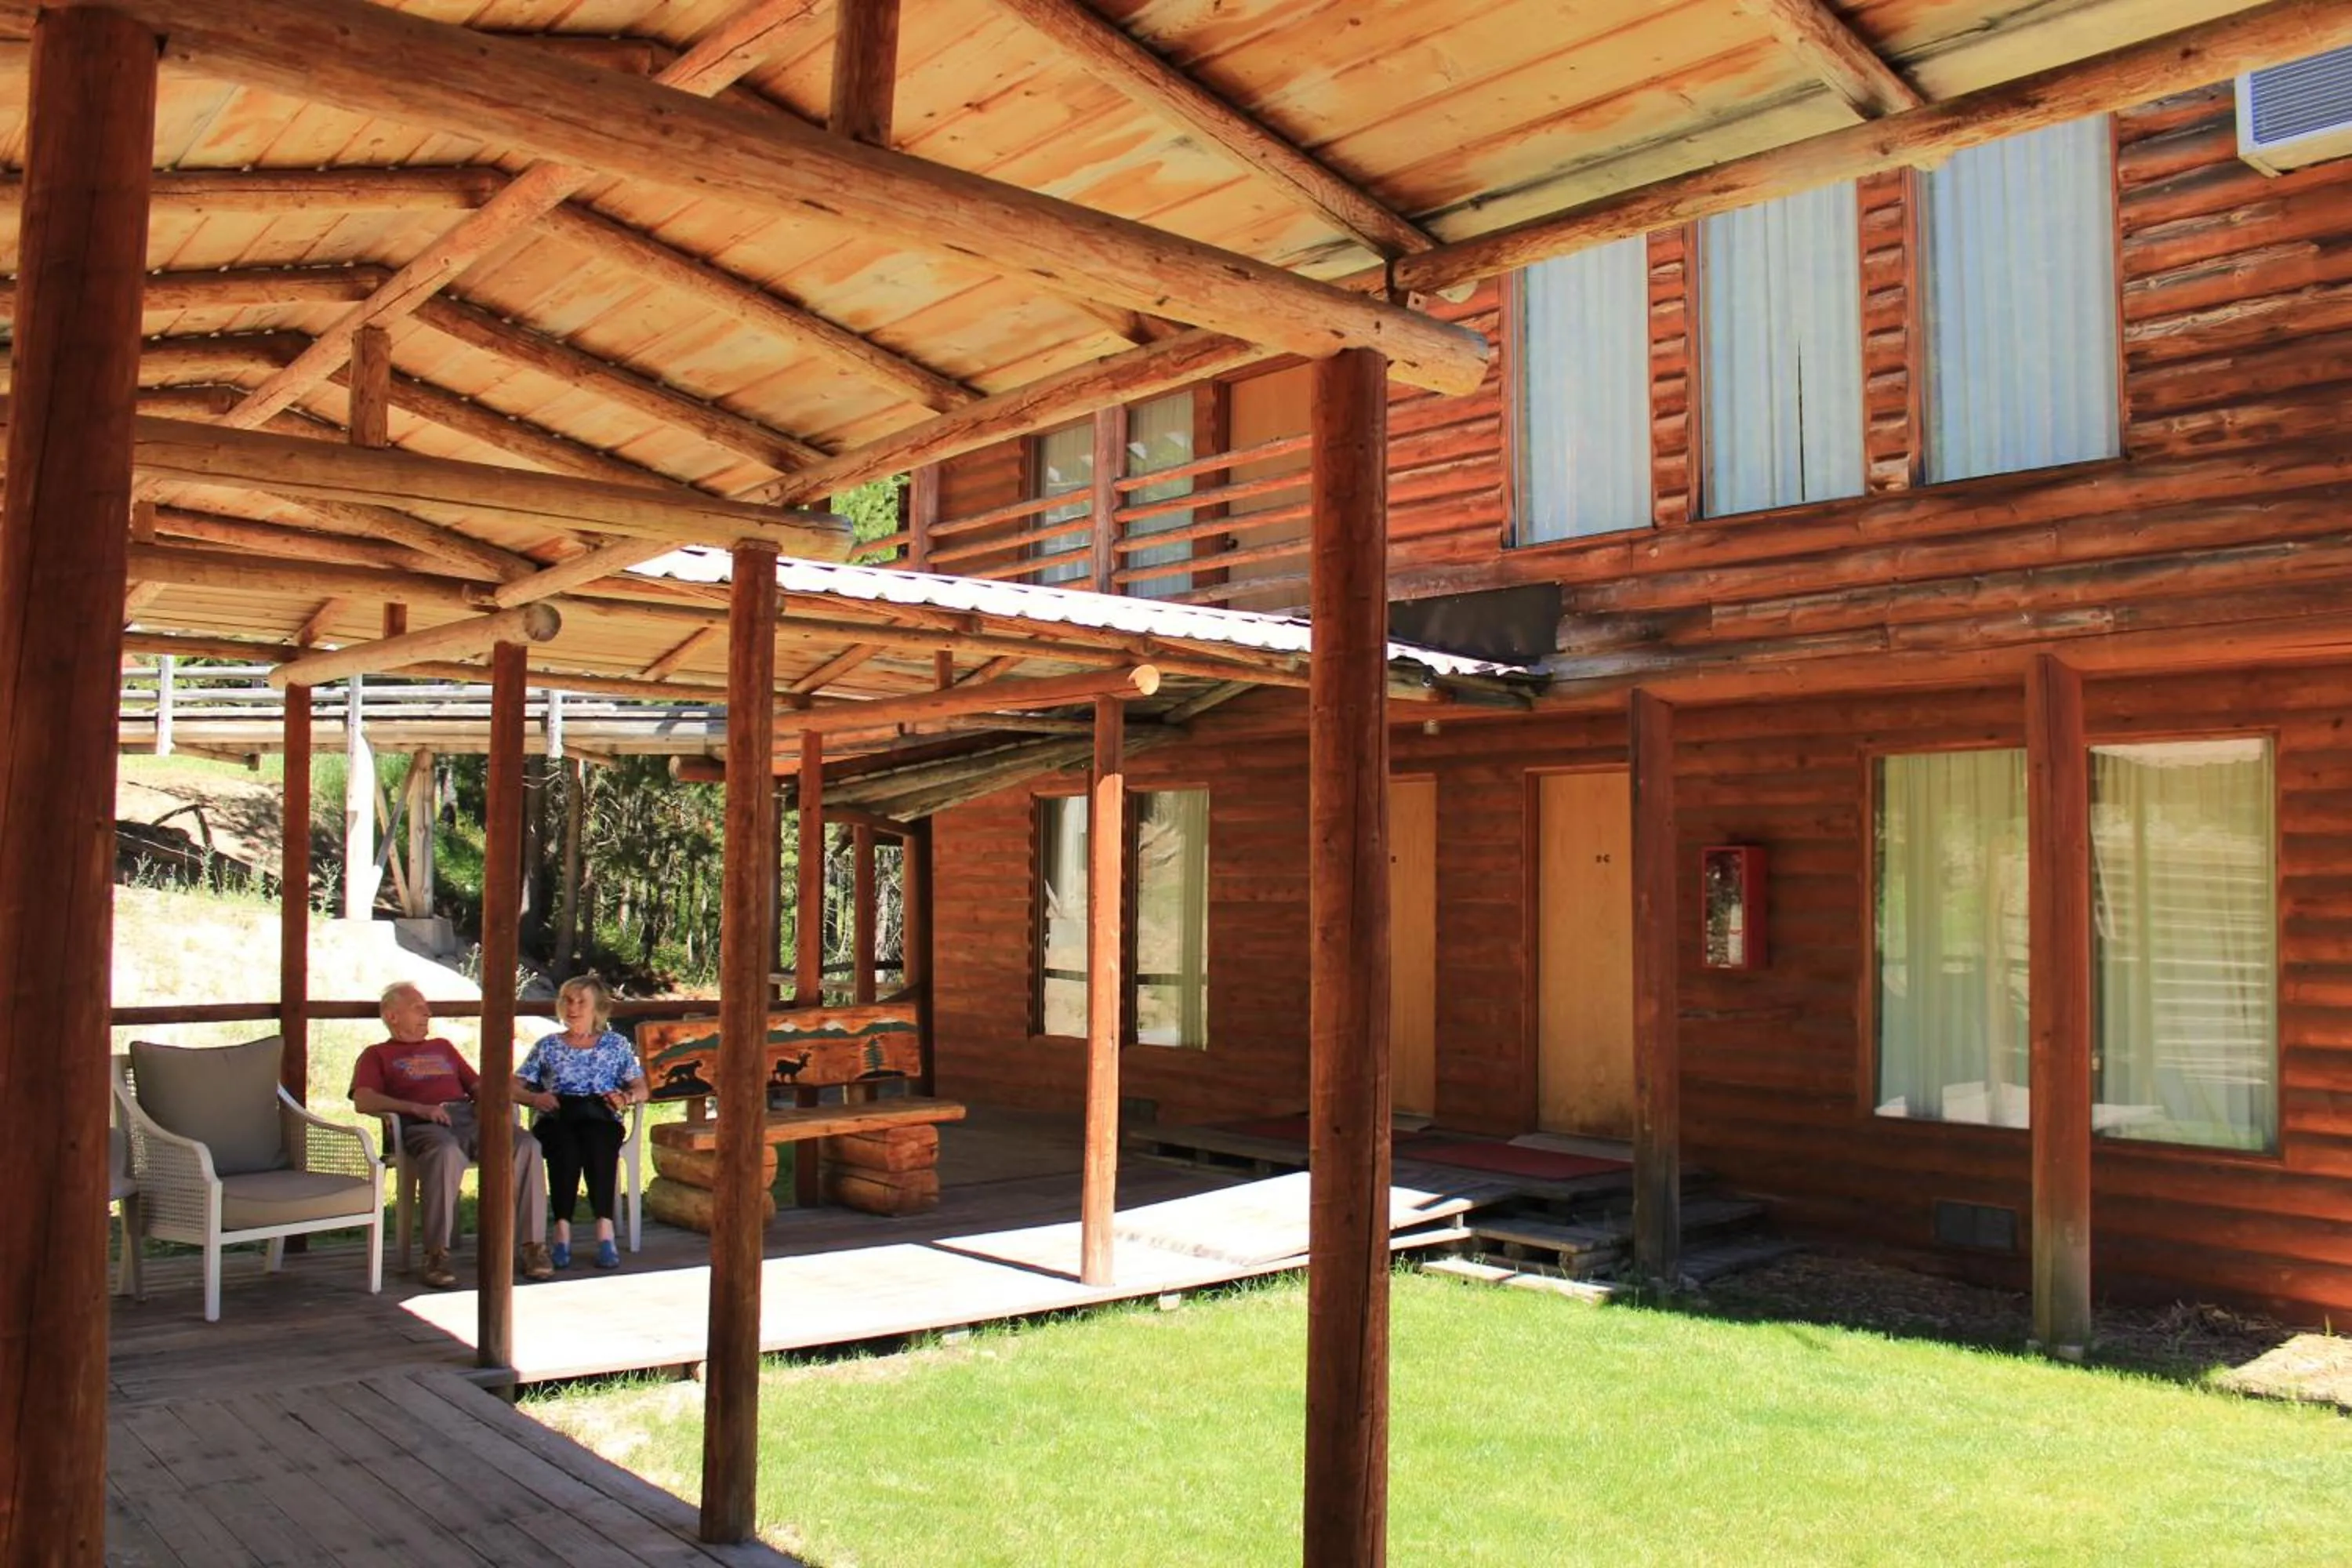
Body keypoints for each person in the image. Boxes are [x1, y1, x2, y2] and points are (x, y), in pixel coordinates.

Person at [349, 982, 554, 1290]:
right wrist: (418, 1108)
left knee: (526, 1144)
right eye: (418, 1008)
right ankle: (436, 1254)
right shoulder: (377, 1055)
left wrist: (493, 1106)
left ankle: (533, 1247)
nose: (428, 1013)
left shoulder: (443, 1047)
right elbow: (364, 1100)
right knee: (445, 1152)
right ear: (393, 1016)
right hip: (421, 1126)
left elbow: (478, 1085)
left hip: (466, 1118)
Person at [517, 975, 648, 1270]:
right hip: (558, 1114)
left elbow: (642, 1088)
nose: (573, 1007)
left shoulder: (616, 1045)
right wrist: (536, 1100)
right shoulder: (548, 1046)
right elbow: (514, 1086)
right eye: (567, 1000)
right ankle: (562, 1231)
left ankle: (605, 1230)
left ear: (597, 1008)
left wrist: (625, 1098)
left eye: (581, 1002)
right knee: (565, 1149)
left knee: (599, 1144)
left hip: (600, 1113)